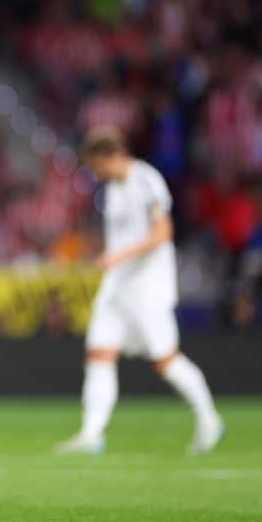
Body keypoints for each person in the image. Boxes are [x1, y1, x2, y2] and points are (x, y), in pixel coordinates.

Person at [58, 126, 223, 455]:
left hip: (148, 286)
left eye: (95, 165)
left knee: (165, 360)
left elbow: (162, 233)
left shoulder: (147, 180)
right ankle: (92, 434)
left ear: (110, 156)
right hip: (117, 285)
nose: (94, 172)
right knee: (99, 354)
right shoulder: (112, 190)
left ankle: (209, 417)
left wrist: (118, 255)